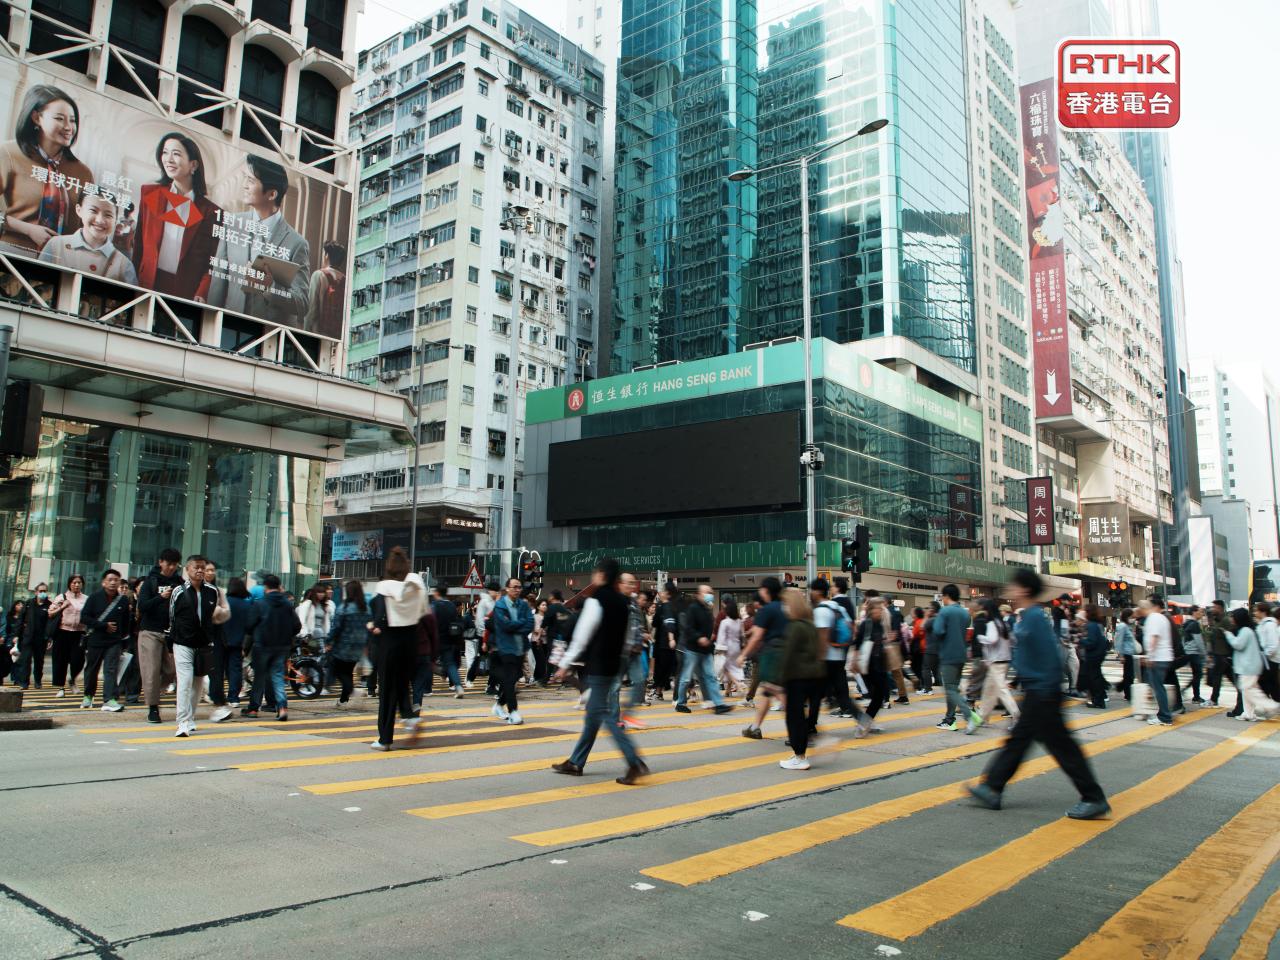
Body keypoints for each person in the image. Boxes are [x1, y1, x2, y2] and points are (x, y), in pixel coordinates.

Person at [967, 569, 1110, 819]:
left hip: (1043, 692)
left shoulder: (1034, 617)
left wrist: (1045, 689)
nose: (1010, 590)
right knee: (1020, 741)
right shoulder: (1029, 616)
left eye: (1014, 586)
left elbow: (1050, 656)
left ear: (1024, 589)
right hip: (1038, 690)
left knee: (1060, 747)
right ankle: (992, 787)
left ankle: (1093, 797)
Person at [551, 559, 650, 783]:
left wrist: (565, 663)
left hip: (598, 665)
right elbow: (627, 638)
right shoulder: (623, 603)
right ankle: (575, 761)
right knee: (593, 716)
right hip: (614, 664)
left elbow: (582, 636)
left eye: (596, 572)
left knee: (603, 714)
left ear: (602, 575)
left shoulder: (596, 600)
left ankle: (634, 761)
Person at [205, 155, 310, 325]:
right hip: (226, 326)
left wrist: (270, 286)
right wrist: (207, 321)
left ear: (272, 194)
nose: (244, 185)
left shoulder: (297, 244)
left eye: (251, 181)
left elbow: (302, 304)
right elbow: (218, 281)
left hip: (266, 333)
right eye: (245, 178)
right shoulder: (233, 223)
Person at [0, 84, 95, 254]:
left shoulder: (83, 173)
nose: (68, 127)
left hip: (60, 261)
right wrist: (28, 229)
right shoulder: (8, 153)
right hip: (11, 253)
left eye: (72, 120)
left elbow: (87, 226)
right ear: (36, 118)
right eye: (59, 118)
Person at [132, 132, 220, 299]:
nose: (168, 159)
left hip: (186, 291)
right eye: (165, 153)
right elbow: (139, 244)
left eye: (176, 154)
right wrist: (133, 278)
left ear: (193, 165)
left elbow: (212, 261)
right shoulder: (149, 193)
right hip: (146, 282)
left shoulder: (211, 212)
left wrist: (202, 292)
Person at [368, 549, 428, 749]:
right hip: (410, 643)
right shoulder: (417, 588)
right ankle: (410, 717)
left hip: (390, 643)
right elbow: (424, 613)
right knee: (402, 684)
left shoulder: (384, 587)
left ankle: (384, 739)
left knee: (387, 692)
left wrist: (373, 626)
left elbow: (377, 618)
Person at [168, 555, 226, 736]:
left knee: (197, 684)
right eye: (196, 567)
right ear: (187, 569)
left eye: (203, 567)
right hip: (182, 643)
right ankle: (182, 722)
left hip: (204, 644)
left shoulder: (212, 591)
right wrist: (172, 641)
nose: (200, 570)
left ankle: (191, 717)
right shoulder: (178, 591)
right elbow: (172, 617)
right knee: (184, 682)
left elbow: (212, 616)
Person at [38, 189, 138, 284]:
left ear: (115, 219)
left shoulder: (124, 265)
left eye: (108, 215)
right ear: (79, 210)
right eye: (93, 211)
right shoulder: (56, 245)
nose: (100, 220)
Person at [777, 587, 828, 770]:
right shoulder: (810, 625)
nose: (783, 607)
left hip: (797, 677)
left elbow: (787, 654)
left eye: (785, 603)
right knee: (802, 716)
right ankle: (800, 754)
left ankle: (800, 757)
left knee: (794, 717)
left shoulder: (794, 627)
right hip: (815, 676)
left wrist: (779, 680)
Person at [242, 574, 301, 721]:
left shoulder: (260, 604)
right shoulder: (287, 604)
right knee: (277, 677)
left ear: (265, 587)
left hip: (262, 646)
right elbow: (297, 625)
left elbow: (249, 626)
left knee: (259, 678)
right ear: (279, 586)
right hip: (282, 647)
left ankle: (253, 709)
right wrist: (286, 635)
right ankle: (282, 708)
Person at [135, 548, 182, 723]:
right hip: (150, 632)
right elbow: (142, 606)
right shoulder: (150, 581)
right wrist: (160, 597)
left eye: (175, 564)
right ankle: (153, 708)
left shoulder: (179, 582)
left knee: (172, 670)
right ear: (160, 562)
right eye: (168, 563)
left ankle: (155, 691)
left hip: (171, 633)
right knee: (152, 671)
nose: (171, 567)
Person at [738, 577, 787, 739]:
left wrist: (743, 655)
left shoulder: (767, 610)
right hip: (787, 652)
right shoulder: (785, 607)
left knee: (776, 690)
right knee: (767, 691)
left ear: (766, 591)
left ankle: (802, 727)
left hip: (773, 654)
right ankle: (755, 727)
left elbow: (757, 637)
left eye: (761, 589)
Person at [78, 568, 133, 711]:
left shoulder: (123, 600)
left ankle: (110, 699)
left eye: (116, 580)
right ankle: (88, 695)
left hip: (114, 642)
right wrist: (103, 626)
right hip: (95, 640)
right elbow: (84, 618)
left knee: (111, 670)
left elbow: (126, 622)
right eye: (110, 580)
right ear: (103, 582)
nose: (113, 582)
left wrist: (123, 640)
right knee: (92, 669)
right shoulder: (94, 598)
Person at [675, 584, 733, 715]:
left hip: (706, 650)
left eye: (711, 592)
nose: (710, 595)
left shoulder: (708, 609)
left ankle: (719, 704)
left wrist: (709, 641)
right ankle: (680, 703)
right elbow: (688, 628)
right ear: (699, 594)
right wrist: (699, 638)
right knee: (686, 677)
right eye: (707, 592)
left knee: (711, 677)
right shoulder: (693, 609)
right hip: (693, 650)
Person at [968, 598, 1020, 732]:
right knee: (988, 691)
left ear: (987, 610)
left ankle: (1017, 716)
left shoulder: (992, 623)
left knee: (1001, 691)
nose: (983, 612)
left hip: (996, 662)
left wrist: (980, 638)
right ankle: (982, 719)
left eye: (984, 610)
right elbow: (1012, 640)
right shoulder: (1003, 623)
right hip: (1003, 661)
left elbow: (992, 639)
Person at [932, 584, 978, 731]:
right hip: (961, 655)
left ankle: (969, 716)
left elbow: (938, 631)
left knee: (950, 689)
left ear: (946, 596)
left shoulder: (945, 611)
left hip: (948, 654)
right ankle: (949, 719)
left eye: (942, 597)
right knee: (953, 688)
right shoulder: (965, 613)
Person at [813, 579, 859, 721]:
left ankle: (809, 726)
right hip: (839, 654)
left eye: (812, 590)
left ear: (817, 592)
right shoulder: (838, 607)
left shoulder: (820, 610)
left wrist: (818, 658)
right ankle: (862, 719)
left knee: (814, 692)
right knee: (841, 691)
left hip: (826, 657)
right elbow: (851, 627)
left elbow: (822, 636)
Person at [491, 577, 535, 724]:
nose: (517, 590)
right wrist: (521, 623)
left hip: (520, 647)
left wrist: (516, 625)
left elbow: (530, 624)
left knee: (514, 677)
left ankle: (498, 705)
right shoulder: (500, 605)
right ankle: (513, 712)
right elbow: (505, 626)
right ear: (507, 588)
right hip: (506, 647)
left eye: (519, 587)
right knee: (510, 679)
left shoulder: (523, 605)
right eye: (514, 587)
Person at [1227, 607, 1280, 721]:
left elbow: (1238, 644)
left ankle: (1271, 706)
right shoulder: (1249, 629)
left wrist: (1228, 635)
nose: (1231, 619)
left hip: (1249, 666)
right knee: (1247, 690)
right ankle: (1248, 714)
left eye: (1233, 617)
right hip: (1249, 666)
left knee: (1248, 690)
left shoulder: (1246, 631)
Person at [201, 561, 234, 723]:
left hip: (216, 636)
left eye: (212, 570)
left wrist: (215, 611)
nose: (210, 573)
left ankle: (219, 703)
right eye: (207, 570)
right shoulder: (194, 589)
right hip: (197, 636)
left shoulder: (219, 591)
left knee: (216, 671)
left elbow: (226, 613)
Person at [48, 574, 88, 698]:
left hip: (79, 633)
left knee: (78, 660)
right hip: (63, 632)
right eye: (74, 582)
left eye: (79, 582)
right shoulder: (62, 597)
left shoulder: (86, 599)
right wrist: (63, 606)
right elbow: (50, 613)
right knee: (61, 660)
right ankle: (60, 687)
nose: (76, 585)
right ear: (69, 584)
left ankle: (72, 680)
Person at [1139, 596, 1175, 726]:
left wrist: (1150, 656)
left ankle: (1165, 717)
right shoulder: (1162, 618)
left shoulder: (1153, 618)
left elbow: (1154, 637)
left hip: (1158, 657)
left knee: (1158, 688)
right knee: (1158, 687)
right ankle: (1164, 714)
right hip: (1163, 657)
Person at [303, 240, 346, 337]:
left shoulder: (319, 275)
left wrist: (306, 332)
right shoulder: (345, 280)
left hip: (318, 334)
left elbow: (311, 309)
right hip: (336, 336)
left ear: (326, 256)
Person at [12, 584, 51, 689]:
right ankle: (24, 683)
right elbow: (20, 619)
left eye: (45, 591)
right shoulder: (29, 603)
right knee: (25, 660)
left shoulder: (49, 605)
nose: (43, 593)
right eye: (41, 591)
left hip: (41, 638)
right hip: (28, 636)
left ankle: (38, 681)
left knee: (39, 661)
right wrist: (16, 635)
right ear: (36, 592)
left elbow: (50, 623)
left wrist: (49, 637)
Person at [222, 577, 252, 706]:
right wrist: (246, 646)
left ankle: (217, 696)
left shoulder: (224, 603)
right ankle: (233, 698)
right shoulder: (247, 605)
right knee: (235, 670)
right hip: (238, 643)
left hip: (222, 642)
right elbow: (250, 627)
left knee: (220, 669)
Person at [432, 586, 464, 697]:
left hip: (436, 639)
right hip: (449, 639)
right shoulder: (451, 606)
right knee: (450, 664)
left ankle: (425, 688)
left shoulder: (434, 605)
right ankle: (458, 687)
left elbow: (431, 622)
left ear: (437, 593)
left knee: (427, 663)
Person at [651, 583, 680, 700]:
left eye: (662, 591)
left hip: (664, 644)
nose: (660, 593)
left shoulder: (664, 606)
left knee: (662, 669)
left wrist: (671, 639)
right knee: (675, 669)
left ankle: (659, 692)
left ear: (667, 593)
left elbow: (656, 623)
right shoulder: (676, 606)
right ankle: (682, 693)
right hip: (674, 643)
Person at [1203, 601, 1233, 709]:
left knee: (1217, 678)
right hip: (1218, 655)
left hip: (1223, 655)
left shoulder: (1225, 621)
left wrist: (1229, 654)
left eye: (1214, 607)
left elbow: (1230, 636)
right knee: (1221, 678)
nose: (1212, 609)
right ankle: (1214, 699)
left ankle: (1214, 700)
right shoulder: (1216, 620)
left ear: (1220, 608)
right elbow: (1211, 637)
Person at [1078, 604, 1109, 709]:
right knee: (1096, 677)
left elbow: (1091, 642)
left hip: (1093, 655)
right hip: (1099, 654)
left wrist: (1081, 641)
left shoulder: (1091, 625)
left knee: (1093, 678)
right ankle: (1100, 699)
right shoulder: (1098, 624)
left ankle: (1097, 701)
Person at [716, 595, 744, 698]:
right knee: (732, 667)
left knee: (725, 668)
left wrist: (718, 649)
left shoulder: (725, 622)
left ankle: (738, 684)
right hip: (737, 647)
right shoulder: (739, 621)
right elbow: (742, 635)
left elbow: (721, 637)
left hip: (727, 647)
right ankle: (728, 690)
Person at [1178, 606, 1208, 704]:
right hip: (1194, 652)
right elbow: (1199, 641)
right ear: (1194, 612)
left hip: (1187, 652)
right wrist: (1205, 654)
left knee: (1197, 674)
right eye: (1200, 612)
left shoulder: (1186, 623)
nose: (1202, 614)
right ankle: (1195, 696)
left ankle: (1191, 693)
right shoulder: (1194, 624)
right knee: (1198, 674)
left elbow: (1183, 639)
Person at [1114, 609, 1141, 701]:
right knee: (1128, 675)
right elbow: (1119, 641)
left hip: (1130, 653)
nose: (1133, 618)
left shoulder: (1128, 626)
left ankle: (1123, 688)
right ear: (1126, 617)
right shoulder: (1122, 626)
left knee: (1130, 675)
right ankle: (1128, 694)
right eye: (1131, 617)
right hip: (1126, 653)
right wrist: (1120, 655)